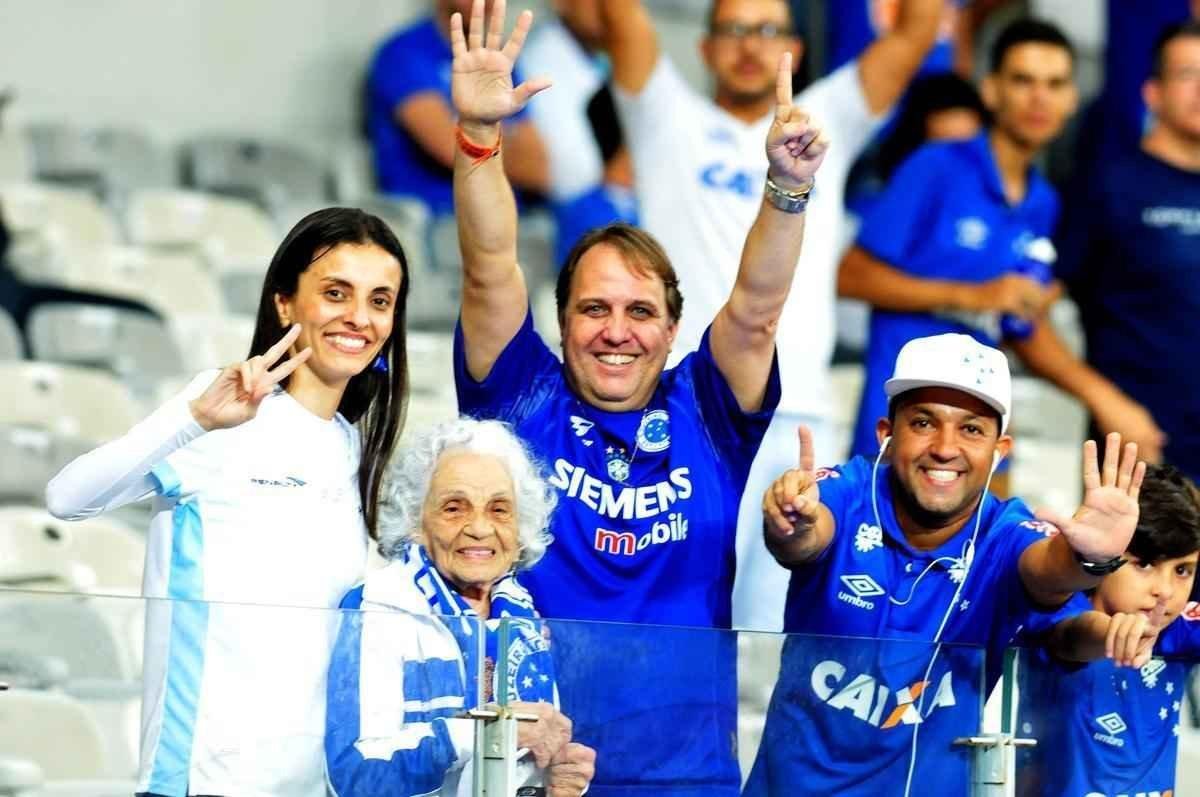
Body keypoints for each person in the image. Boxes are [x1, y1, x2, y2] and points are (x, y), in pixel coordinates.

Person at [448, 1, 823, 791]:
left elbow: (755, 311)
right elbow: (488, 266)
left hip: (690, 782)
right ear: (560, 324)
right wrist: (482, 140)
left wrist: (786, 186)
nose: (616, 331)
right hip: (534, 777)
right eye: (593, 309)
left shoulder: (709, 414)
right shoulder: (519, 404)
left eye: (640, 311)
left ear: (673, 327)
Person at [599, 0, 944, 633]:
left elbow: (919, 28)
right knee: (673, 620)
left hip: (797, 419)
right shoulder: (663, 117)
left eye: (768, 31)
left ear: (798, 48)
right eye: (732, 30)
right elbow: (619, 16)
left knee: (767, 630)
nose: (751, 46)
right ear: (703, 49)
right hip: (681, 414)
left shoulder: (821, 124)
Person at [44, 207, 410, 797]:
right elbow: (67, 498)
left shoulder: (351, 446)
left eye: (379, 300)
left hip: (316, 784)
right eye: (336, 293)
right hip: (203, 781)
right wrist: (192, 421)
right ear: (284, 303)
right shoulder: (220, 415)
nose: (357, 318)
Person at [744, 332, 1147, 795]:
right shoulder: (847, 489)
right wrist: (791, 523)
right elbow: (807, 534)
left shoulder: (1005, 531)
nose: (945, 447)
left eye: (972, 429)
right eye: (923, 423)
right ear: (887, 436)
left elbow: (1048, 568)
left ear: (1000, 452)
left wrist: (1090, 556)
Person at [837, 18, 1163, 482]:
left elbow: (1020, 324)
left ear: (1071, 100)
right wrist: (974, 295)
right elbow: (850, 275)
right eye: (1022, 80)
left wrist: (1103, 398)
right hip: (903, 435)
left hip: (981, 439)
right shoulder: (938, 164)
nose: (1039, 98)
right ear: (991, 91)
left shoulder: (1043, 200)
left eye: (1054, 84)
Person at [325, 417, 595, 797]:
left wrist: (558, 782)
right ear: (414, 521)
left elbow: (523, 765)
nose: (480, 529)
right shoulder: (376, 605)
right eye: (455, 508)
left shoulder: (524, 619)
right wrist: (490, 732)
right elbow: (356, 775)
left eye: (499, 509)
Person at [1056, 20, 1200, 483]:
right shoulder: (1109, 186)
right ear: (1152, 93)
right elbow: (1024, 313)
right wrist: (1104, 400)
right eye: (1186, 74)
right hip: (1143, 456)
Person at [1015, 464, 1200, 796]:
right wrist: (1113, 634)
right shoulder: (1058, 612)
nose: (1166, 590)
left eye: (1183, 570)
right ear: (1107, 551)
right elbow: (1073, 637)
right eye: (1144, 564)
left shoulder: (1177, 627)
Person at [365, 0, 548, 215]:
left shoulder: (498, 60)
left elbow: (538, 169)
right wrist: (501, 139)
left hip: (510, 212)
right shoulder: (405, 52)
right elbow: (452, 151)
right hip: (438, 219)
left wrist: (473, 137)